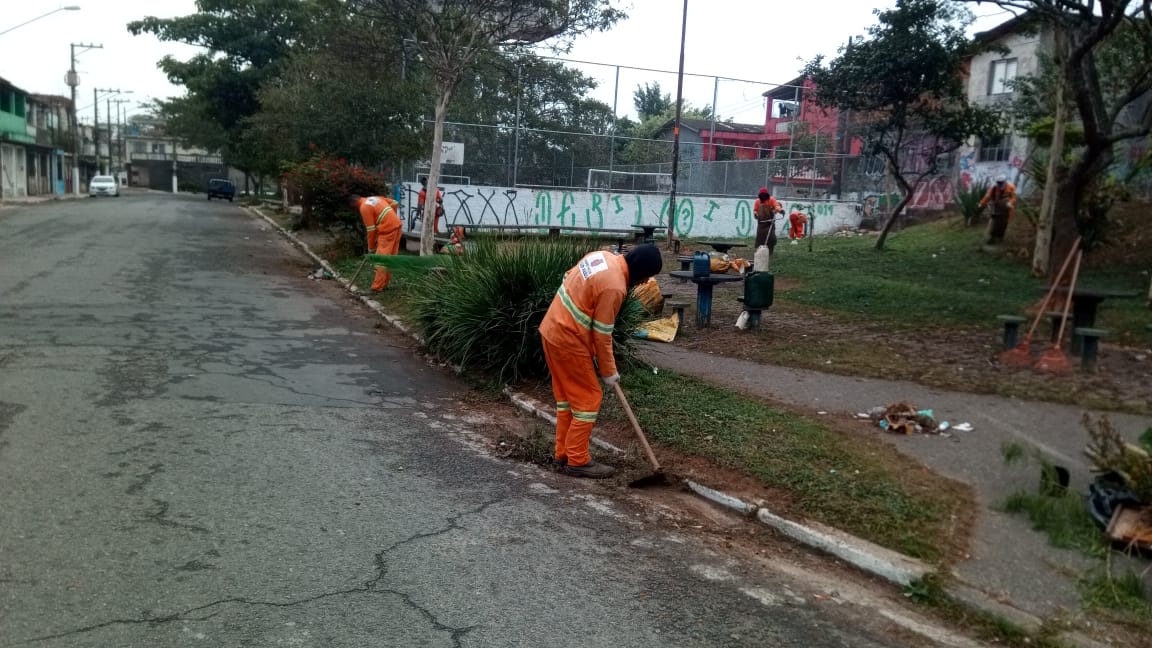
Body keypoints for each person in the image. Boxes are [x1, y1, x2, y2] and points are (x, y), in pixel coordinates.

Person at [539, 245, 664, 479]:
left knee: (568, 399)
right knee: (588, 399)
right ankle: (577, 460)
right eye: (646, 278)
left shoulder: (602, 257)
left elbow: (569, 276)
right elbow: (602, 334)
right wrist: (609, 372)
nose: (643, 283)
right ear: (640, 271)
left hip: (551, 330)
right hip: (568, 340)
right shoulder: (615, 287)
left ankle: (563, 453)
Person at [350, 193, 402, 292]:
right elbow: (395, 203)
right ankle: (384, 284)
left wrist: (371, 246)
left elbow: (371, 230)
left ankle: (377, 288)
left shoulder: (364, 207)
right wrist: (392, 218)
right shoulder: (374, 198)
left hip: (387, 232)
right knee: (390, 258)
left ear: (354, 204)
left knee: (380, 260)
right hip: (397, 227)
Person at [979, 175, 1017, 245]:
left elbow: (1014, 198)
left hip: (1006, 208)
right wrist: (982, 203)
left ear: (1005, 182)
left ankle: (1000, 237)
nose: (1000, 185)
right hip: (996, 207)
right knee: (993, 222)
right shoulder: (993, 188)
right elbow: (987, 196)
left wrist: (1010, 202)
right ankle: (992, 237)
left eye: (1001, 183)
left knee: (1003, 223)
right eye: (998, 183)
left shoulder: (1011, 187)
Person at [753, 187, 783, 254]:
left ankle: (770, 251)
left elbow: (776, 206)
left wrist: (780, 210)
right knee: (760, 238)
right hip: (761, 223)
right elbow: (755, 210)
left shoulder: (772, 200)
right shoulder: (757, 201)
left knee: (771, 237)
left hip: (770, 223)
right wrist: (755, 214)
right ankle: (760, 251)